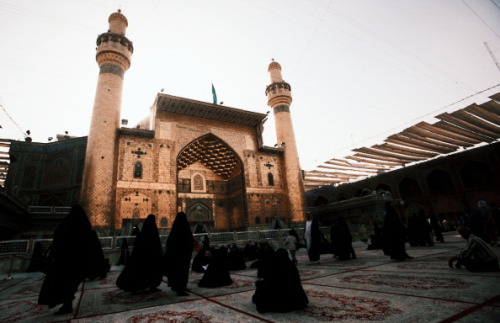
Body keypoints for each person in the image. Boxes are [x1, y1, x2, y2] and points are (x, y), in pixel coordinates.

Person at [38, 204, 95, 315]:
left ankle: (64, 304)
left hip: (64, 262)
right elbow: (89, 244)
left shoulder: (66, 224)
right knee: (70, 285)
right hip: (78, 262)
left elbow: (58, 241)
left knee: (63, 284)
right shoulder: (84, 225)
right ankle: (65, 304)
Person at [116, 214, 163, 293]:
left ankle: (140, 287)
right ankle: (150, 286)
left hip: (142, 259)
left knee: (142, 272)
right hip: (151, 259)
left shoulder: (141, 235)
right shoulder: (153, 234)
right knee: (151, 272)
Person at [252, 248, 308, 313]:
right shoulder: (291, 265)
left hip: (280, 299)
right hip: (296, 298)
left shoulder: (276, 266)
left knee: (261, 290)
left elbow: (271, 282)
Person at [163, 212, 194, 296]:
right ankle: (181, 289)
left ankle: (174, 286)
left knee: (175, 271)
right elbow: (190, 241)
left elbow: (169, 243)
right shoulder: (185, 229)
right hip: (183, 256)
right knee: (182, 272)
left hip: (175, 257)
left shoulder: (174, 231)